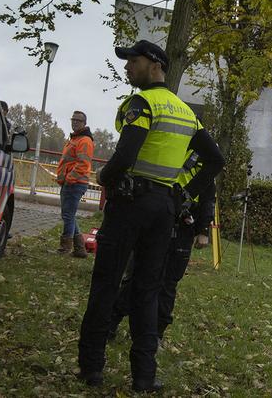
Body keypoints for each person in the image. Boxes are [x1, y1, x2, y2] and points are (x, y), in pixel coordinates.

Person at [76, 40, 224, 393]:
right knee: (147, 291)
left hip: (130, 204)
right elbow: (215, 160)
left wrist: (104, 177)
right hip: (164, 210)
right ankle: (144, 376)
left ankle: (91, 368)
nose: (128, 67)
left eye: (133, 61)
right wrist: (184, 192)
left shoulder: (141, 103)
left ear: (155, 65)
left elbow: (125, 155)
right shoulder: (186, 112)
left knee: (107, 285)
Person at [108, 150, 216, 342]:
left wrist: (204, 230)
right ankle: (111, 323)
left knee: (168, 283)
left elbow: (208, 197)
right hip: (156, 219)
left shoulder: (202, 158)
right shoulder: (167, 150)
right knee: (137, 276)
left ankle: (155, 334)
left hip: (183, 226)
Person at [54, 110, 94, 257]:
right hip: (71, 183)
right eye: (73, 119)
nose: (75, 122)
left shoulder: (84, 140)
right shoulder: (75, 139)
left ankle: (65, 248)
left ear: (84, 123)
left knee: (68, 215)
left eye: (78, 120)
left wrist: (69, 178)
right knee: (69, 215)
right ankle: (80, 249)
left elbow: (83, 164)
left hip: (75, 184)